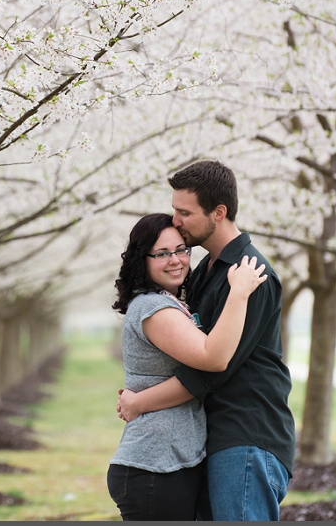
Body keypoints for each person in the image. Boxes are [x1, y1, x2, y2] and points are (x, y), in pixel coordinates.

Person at [117, 160, 296, 521]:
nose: (176, 221)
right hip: (212, 439)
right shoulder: (204, 270)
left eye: (184, 212)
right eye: (174, 210)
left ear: (219, 212)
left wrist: (141, 402)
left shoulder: (250, 273)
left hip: (246, 435)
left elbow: (214, 368)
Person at [107, 212, 268, 521]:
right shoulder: (155, 308)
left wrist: (138, 401)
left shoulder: (166, 303)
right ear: (142, 260)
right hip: (155, 466)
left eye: (181, 249)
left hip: (166, 463)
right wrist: (239, 293)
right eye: (162, 253)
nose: (176, 260)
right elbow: (213, 358)